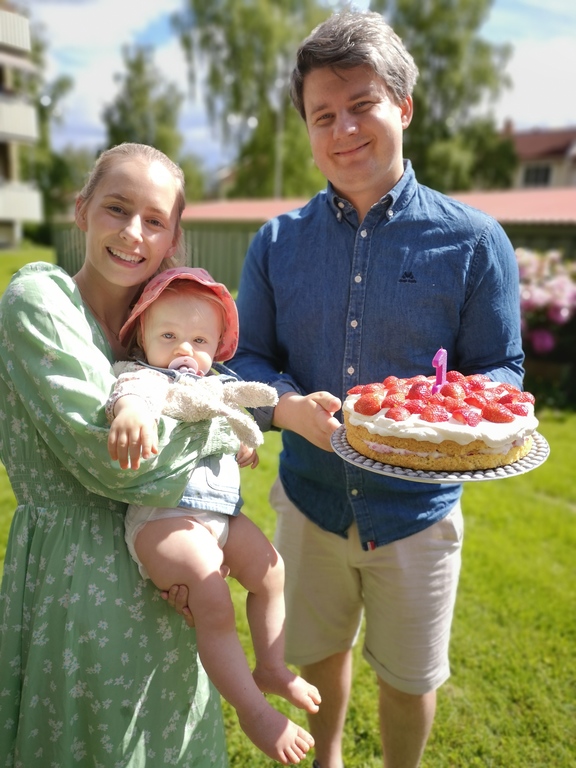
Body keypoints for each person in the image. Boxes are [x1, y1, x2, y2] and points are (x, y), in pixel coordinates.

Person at [229, 10, 526, 768]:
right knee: (320, 656)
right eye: (322, 115)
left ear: (404, 107)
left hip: (417, 516)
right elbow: (251, 358)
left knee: (409, 676)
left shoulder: (473, 241)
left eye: (362, 104)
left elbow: (501, 370)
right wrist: (284, 406)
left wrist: (440, 412)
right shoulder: (276, 243)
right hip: (311, 502)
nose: (343, 129)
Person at [0, 143, 234, 767]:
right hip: (77, 580)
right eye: (117, 208)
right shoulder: (40, 302)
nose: (134, 233)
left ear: (173, 237)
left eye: (155, 219)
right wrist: (229, 428)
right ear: (82, 211)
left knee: (164, 741)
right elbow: (117, 461)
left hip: (164, 567)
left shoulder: (162, 326)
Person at [106, 266, 319, 765]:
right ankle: (251, 709)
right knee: (212, 594)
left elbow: (237, 422)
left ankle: (272, 667)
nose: (185, 350)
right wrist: (132, 414)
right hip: (163, 521)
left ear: (220, 344)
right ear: (143, 336)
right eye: (169, 335)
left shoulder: (220, 384)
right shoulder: (148, 377)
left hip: (219, 515)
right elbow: (131, 394)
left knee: (271, 570)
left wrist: (241, 443)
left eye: (200, 339)